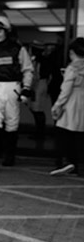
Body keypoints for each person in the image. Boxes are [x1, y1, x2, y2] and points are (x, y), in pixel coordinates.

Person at [0, 12, 34, 172]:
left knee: (12, 122)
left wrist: (26, 88)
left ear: (6, 31)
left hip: (13, 87)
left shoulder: (18, 48)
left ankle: (9, 156)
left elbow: (28, 69)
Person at [50, 37, 84, 176]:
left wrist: (57, 105)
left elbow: (66, 90)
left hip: (72, 102)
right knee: (80, 135)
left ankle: (67, 162)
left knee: (64, 132)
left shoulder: (73, 68)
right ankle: (78, 165)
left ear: (71, 52)